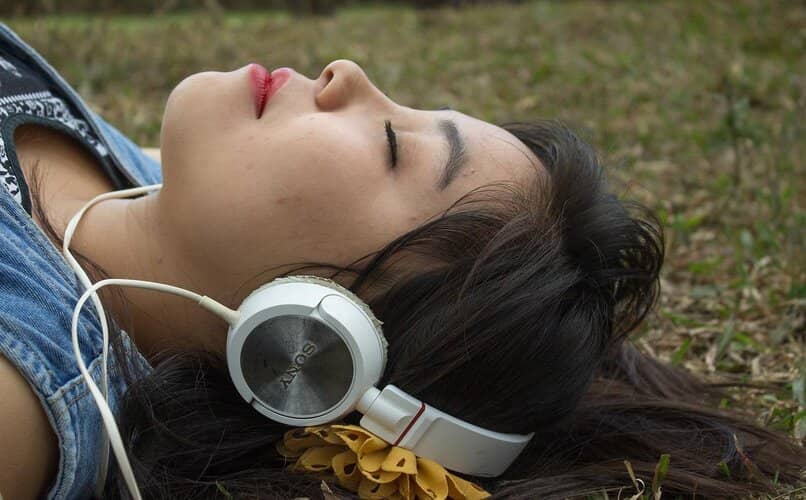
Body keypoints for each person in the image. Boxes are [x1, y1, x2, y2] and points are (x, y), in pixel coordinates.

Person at [0, 22, 802, 500]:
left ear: (318, 350)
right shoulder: (137, 182)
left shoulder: (23, 400)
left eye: (391, 146)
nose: (347, 74)